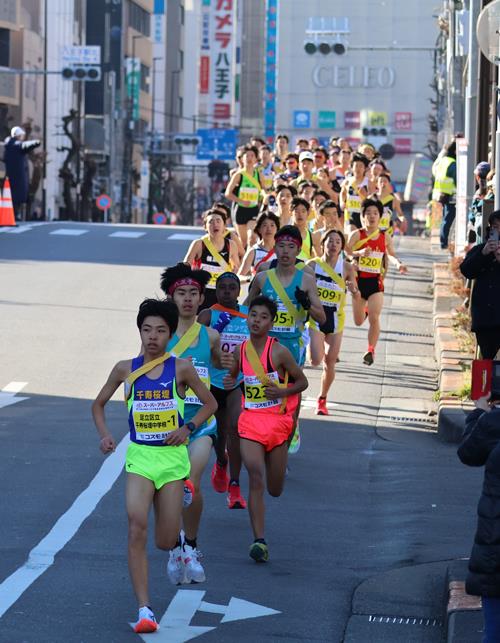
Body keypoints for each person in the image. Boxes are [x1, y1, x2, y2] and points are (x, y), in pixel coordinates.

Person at [91, 298, 217, 633]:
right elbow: (98, 404)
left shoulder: (182, 368)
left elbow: (211, 403)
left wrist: (188, 428)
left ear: (170, 333)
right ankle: (145, 610)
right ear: (139, 331)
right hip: (141, 458)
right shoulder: (125, 369)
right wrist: (105, 436)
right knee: (136, 526)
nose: (152, 336)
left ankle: (177, 532)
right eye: (147, 329)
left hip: (173, 460)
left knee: (163, 541)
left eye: (160, 330)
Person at [225, 295, 308, 562]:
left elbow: (302, 382)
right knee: (256, 476)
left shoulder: (279, 352)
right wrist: (228, 377)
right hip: (250, 422)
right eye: (253, 316)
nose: (256, 321)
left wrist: (282, 390)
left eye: (263, 317)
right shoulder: (242, 350)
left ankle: (277, 467)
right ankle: (258, 541)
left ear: (271, 322)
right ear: (247, 318)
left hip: (277, 423)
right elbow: (234, 375)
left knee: (275, 488)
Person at [160, 263, 228, 585]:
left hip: (201, 421)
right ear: (171, 297)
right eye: (181, 293)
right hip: (165, 424)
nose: (187, 299)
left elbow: (218, 366)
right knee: (171, 486)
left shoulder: (211, 335)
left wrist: (227, 365)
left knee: (191, 481)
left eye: (193, 294)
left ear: (202, 298)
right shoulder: (161, 335)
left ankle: (193, 545)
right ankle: (176, 547)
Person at [198, 273, 249, 509]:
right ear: (216, 291)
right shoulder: (208, 315)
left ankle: (236, 486)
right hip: (212, 382)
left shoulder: (248, 316)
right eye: (222, 288)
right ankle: (221, 462)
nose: (227, 291)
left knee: (235, 428)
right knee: (219, 433)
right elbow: (195, 345)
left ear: (239, 291)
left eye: (232, 287)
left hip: (236, 382)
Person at [457, 391, 500, 642]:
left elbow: (469, 453)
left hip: (494, 551)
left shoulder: (495, 422)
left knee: (494, 633)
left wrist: (479, 413)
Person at [346, 199, 407, 365]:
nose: (372, 217)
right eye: (368, 213)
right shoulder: (357, 234)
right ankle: (364, 309)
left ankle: (370, 350)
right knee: (359, 321)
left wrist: (399, 263)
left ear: (380, 217)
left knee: (374, 317)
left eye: (375, 214)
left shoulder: (384, 236)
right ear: (362, 216)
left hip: (375, 283)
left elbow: (391, 254)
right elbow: (346, 251)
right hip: (358, 283)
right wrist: (358, 253)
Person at [307, 229, 360, 414]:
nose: (334, 245)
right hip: (315, 318)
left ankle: (322, 399)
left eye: (338, 242)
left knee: (330, 362)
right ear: (322, 244)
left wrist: (353, 290)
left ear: (342, 247)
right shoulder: (312, 265)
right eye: (330, 241)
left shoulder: (346, 267)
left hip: (336, 320)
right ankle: (312, 348)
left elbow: (356, 292)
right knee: (315, 360)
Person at [460, 211, 500, 359]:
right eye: (495, 227)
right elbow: (466, 270)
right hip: (485, 319)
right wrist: (484, 253)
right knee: (486, 363)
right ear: (490, 229)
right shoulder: (481, 249)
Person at [183, 209, 240, 309]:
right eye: (211, 222)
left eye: (218, 221)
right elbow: (184, 266)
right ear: (205, 226)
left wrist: (233, 275)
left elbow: (237, 268)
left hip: (222, 293)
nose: (215, 224)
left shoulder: (231, 245)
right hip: (202, 293)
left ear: (224, 226)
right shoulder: (198, 244)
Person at [224, 144, 265, 248]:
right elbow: (228, 193)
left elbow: (264, 190)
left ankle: (251, 263)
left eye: (252, 156)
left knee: (252, 238)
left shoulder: (258, 174)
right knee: (243, 243)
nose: (250, 158)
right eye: (247, 156)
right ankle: (241, 262)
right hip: (240, 211)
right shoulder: (238, 175)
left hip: (254, 210)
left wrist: (263, 197)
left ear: (256, 159)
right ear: (242, 159)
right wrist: (241, 201)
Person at [3, 126, 41, 220]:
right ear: (18, 136)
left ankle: (15, 215)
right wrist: (36, 142)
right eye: (21, 135)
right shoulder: (16, 145)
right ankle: (15, 215)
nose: (23, 137)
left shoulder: (8, 146)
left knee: (12, 196)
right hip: (18, 178)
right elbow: (25, 145)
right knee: (16, 197)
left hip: (11, 176)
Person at [238, 210, 280, 279]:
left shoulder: (283, 250)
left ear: (277, 229)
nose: (269, 229)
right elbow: (239, 277)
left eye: (272, 225)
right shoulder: (253, 252)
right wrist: (251, 280)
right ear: (259, 229)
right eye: (265, 225)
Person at [432, 141, 456, 250]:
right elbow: (457, 180)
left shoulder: (443, 161)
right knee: (448, 219)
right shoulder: (452, 163)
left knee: (445, 219)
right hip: (452, 195)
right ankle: (444, 243)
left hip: (442, 194)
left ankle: (443, 242)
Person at [340, 153, 369, 232]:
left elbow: (373, 198)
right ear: (352, 167)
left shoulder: (369, 182)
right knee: (351, 233)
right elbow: (342, 193)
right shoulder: (347, 181)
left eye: (361, 166)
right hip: (350, 214)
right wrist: (342, 202)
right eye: (356, 166)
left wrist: (365, 197)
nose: (358, 169)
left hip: (364, 215)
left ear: (365, 168)